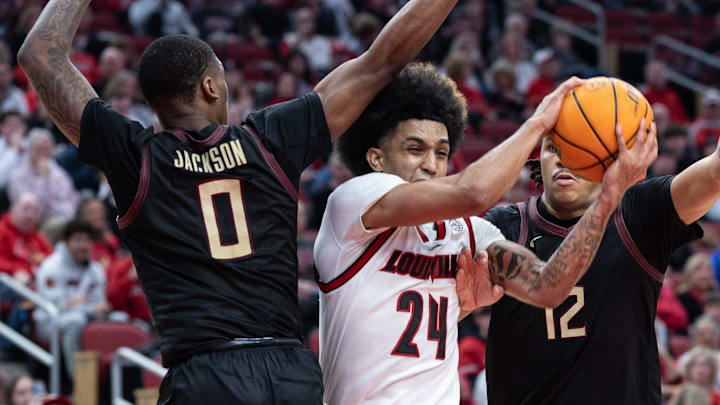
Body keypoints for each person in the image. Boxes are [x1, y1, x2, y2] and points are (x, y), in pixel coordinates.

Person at [18, 0, 465, 402]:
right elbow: (382, 60)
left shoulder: (136, 159)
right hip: (289, 372)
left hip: (205, 374)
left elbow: (39, 53)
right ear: (211, 87)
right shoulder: (269, 139)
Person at [315, 64, 655, 404]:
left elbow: (547, 287)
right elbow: (474, 192)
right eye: (415, 149)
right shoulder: (354, 203)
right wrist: (538, 124)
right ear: (376, 158)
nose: (431, 165)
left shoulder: (470, 233)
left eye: (442, 153)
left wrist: (608, 197)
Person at [482, 93, 716, 403]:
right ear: (539, 156)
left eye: (581, 149)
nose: (565, 158)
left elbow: (713, 173)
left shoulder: (638, 213)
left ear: (608, 159)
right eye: (554, 147)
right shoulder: (503, 226)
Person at [34, 220, 110, 377]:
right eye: (77, 240)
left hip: (87, 317)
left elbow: (100, 303)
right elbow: (57, 306)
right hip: (49, 323)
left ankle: (108, 379)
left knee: (119, 318)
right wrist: (88, 306)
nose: (83, 245)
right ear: (66, 242)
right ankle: (79, 383)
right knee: (76, 320)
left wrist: (87, 306)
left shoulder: (95, 270)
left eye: (87, 240)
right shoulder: (51, 267)